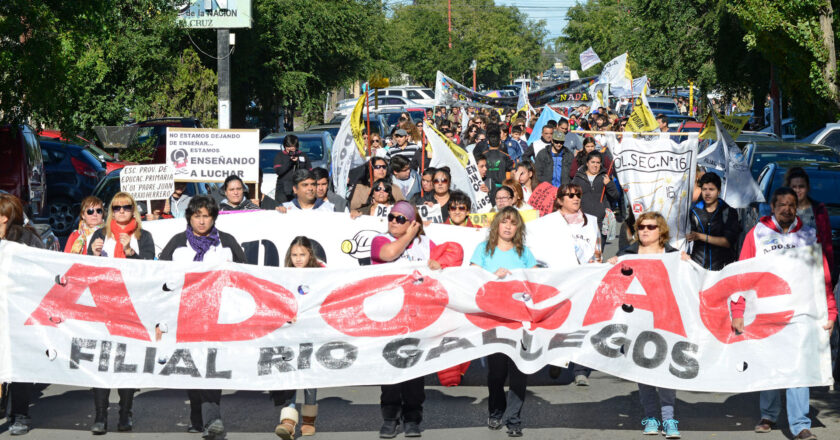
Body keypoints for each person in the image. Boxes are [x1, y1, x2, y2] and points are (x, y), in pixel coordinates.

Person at [732, 187, 836, 440]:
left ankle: (800, 424)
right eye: (782, 205)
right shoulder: (757, 234)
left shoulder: (809, 235)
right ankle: (768, 415)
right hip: (765, 312)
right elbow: (742, 275)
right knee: (770, 365)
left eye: (792, 204)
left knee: (798, 367)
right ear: (772, 207)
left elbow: (822, 278)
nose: (787, 209)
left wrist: (830, 312)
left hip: (800, 314)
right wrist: (738, 310)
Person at [158, 195, 246, 439]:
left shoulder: (226, 242)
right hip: (185, 314)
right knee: (193, 368)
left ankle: (212, 418)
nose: (201, 220)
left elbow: (245, 273)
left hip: (218, 315)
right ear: (190, 218)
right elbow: (159, 276)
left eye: (206, 216)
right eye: (197, 216)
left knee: (210, 365)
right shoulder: (177, 242)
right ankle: (197, 415)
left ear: (213, 218)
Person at [608, 212, 688, 439]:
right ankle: (651, 417)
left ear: (661, 230)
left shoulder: (673, 255)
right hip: (637, 322)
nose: (644, 230)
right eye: (641, 226)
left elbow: (689, 284)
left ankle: (669, 418)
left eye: (651, 227)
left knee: (665, 371)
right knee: (643, 373)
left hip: (665, 321)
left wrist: (687, 264)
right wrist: (612, 264)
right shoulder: (627, 255)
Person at [370, 201, 441, 438]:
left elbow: (447, 260)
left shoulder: (425, 244)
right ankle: (390, 417)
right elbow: (390, 254)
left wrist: (437, 263)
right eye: (392, 217)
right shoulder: (380, 240)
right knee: (390, 368)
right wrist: (409, 233)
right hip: (388, 314)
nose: (393, 221)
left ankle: (412, 417)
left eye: (401, 219)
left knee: (414, 370)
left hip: (416, 315)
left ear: (412, 221)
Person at [87, 192, 155, 434]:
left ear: (133, 209)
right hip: (104, 306)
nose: (121, 211)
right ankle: (100, 416)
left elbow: (150, 270)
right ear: (111, 211)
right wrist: (93, 255)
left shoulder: (143, 236)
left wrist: (130, 252)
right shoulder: (99, 235)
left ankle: (125, 414)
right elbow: (86, 272)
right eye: (116, 208)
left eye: (126, 207)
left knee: (127, 363)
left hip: (131, 308)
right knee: (102, 363)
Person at [470, 207, 536, 438]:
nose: (508, 226)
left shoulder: (524, 252)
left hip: (519, 321)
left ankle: (514, 419)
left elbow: (537, 280)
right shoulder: (483, 250)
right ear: (496, 225)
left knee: (520, 370)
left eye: (513, 223)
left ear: (518, 228)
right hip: (494, 320)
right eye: (504, 222)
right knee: (496, 373)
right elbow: (471, 278)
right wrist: (492, 277)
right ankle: (496, 411)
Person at [0, 193, 45, 436]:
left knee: (18, 366)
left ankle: (20, 415)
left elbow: (41, 274)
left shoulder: (26, 240)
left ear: (4, 217)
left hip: (19, 313)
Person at [271, 236, 324, 439]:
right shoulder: (283, 275)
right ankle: (289, 419)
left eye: (302, 254)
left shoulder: (321, 274)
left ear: (310, 254)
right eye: (294, 255)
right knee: (290, 372)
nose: (298, 259)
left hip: (311, 331)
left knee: (309, 374)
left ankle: (309, 418)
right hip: (290, 331)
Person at [551, 183, 601, 384]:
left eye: (577, 194)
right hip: (559, 281)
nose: (575, 198)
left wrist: (594, 267)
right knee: (559, 323)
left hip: (583, 279)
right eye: (570, 195)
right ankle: (556, 360)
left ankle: (580, 369)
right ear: (560, 200)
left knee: (582, 325)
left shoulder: (591, 221)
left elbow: (597, 249)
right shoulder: (550, 222)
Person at [784, 167, 836, 281]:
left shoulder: (819, 210)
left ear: (807, 187)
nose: (798, 190)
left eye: (801, 186)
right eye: (794, 187)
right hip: (787, 269)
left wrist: (828, 270)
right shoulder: (782, 211)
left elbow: (827, 242)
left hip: (813, 270)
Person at [686, 173, 741, 270]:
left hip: (721, 269)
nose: (707, 193)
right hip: (697, 266)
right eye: (704, 189)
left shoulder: (728, 212)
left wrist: (699, 236)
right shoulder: (693, 211)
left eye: (711, 189)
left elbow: (727, 242)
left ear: (719, 191)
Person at [573, 151, 619, 244]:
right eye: (592, 162)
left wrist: (609, 184)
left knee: (598, 253)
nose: (595, 165)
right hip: (583, 221)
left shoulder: (605, 177)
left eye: (598, 163)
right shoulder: (578, 178)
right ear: (587, 163)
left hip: (601, 221)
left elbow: (615, 196)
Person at [274, 134, 313, 202]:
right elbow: (278, 171)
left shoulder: (302, 155)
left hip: (300, 187)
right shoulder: (280, 155)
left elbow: (309, 171)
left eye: (292, 147)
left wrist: (298, 162)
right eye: (288, 147)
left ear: (296, 146)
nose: (290, 149)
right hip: (283, 189)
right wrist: (290, 162)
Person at [483, 128, 514, 196]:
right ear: (500, 142)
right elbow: (512, 171)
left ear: (488, 142)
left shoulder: (482, 156)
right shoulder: (505, 156)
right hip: (501, 189)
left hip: (485, 188)